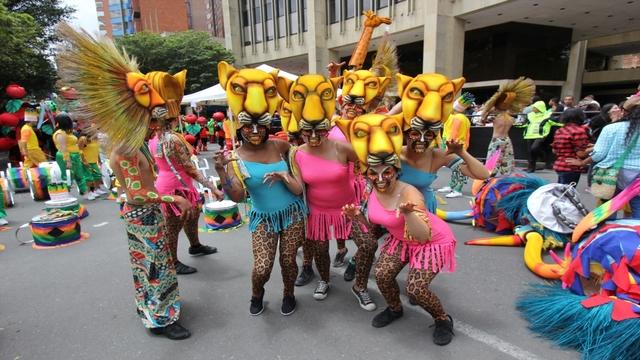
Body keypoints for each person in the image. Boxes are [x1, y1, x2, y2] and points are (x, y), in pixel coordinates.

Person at [58, 23, 191, 339]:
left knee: (148, 265)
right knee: (154, 265)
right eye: (152, 121)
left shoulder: (135, 144)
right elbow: (138, 194)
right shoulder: (126, 151)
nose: (156, 127)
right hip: (141, 214)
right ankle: (161, 319)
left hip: (143, 216)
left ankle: (149, 306)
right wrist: (176, 198)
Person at [341, 113, 457, 346]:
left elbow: (423, 235)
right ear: (367, 174)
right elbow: (373, 225)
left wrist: (407, 213)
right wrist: (358, 217)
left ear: (396, 171)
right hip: (400, 239)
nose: (380, 178)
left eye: (387, 172)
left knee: (416, 289)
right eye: (374, 172)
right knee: (383, 275)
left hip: (430, 241)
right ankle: (395, 309)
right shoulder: (371, 190)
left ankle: (443, 319)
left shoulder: (409, 193)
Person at [279, 74, 378, 310]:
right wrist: (283, 179)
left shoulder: (343, 147)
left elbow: (372, 165)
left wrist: (371, 195)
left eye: (319, 131)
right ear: (300, 131)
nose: (313, 137)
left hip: (349, 209)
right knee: (321, 250)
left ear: (327, 128)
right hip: (318, 212)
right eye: (307, 132)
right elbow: (299, 188)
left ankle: (360, 286)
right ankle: (324, 279)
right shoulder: (296, 154)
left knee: (368, 244)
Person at [215, 61, 307, 316]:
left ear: (268, 125)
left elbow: (299, 190)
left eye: (260, 126)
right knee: (262, 267)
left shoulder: (281, 147)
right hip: (263, 218)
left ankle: (289, 294)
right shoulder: (235, 157)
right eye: (248, 127)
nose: (255, 131)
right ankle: (257, 294)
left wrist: (284, 176)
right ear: (240, 128)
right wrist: (223, 171)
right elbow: (238, 196)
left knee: (288, 261)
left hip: (292, 214)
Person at [146, 70, 223, 275]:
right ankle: (173, 261)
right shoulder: (173, 139)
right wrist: (213, 188)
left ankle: (195, 245)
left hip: (174, 183)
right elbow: (190, 168)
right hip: (176, 188)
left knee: (192, 214)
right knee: (174, 225)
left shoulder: (154, 138)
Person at [395, 73, 489, 213]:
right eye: (415, 133)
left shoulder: (438, 156)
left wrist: (461, 152)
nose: (422, 139)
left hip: (423, 209)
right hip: (396, 208)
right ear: (405, 134)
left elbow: (483, 175)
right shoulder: (394, 152)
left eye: (428, 135)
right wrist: (409, 99)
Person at [570, 96, 640, 218]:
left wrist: (582, 163)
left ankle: (607, 234)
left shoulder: (611, 128)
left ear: (624, 112)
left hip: (612, 174)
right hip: (637, 176)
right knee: (637, 209)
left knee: (608, 209)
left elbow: (599, 154)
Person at [480, 79, 535, 177]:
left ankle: (488, 182)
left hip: (496, 141)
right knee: (507, 165)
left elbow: (482, 120)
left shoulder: (495, 118)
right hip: (507, 140)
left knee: (491, 165)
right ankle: (505, 181)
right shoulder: (511, 119)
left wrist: (488, 110)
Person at [438, 93, 474, 198]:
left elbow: (453, 134)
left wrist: (448, 145)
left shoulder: (458, 118)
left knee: (459, 168)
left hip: (455, 145)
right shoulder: (459, 117)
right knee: (455, 168)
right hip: (458, 145)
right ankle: (452, 186)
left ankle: (458, 189)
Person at [551, 108, 590, 186]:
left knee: (560, 192)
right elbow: (581, 154)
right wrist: (595, 148)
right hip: (571, 166)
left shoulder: (560, 130)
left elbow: (554, 151)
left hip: (559, 165)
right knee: (567, 194)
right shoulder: (579, 131)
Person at [52, 113, 88, 196]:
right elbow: (63, 148)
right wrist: (68, 160)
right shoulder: (60, 133)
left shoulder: (67, 132)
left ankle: (85, 192)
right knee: (68, 176)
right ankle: (65, 194)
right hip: (66, 156)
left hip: (75, 155)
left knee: (79, 174)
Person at [523, 100, 560, 173]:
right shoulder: (530, 115)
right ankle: (531, 167)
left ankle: (543, 158)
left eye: (534, 107)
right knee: (531, 151)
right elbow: (526, 124)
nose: (533, 108)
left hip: (540, 135)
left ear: (539, 108)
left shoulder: (548, 115)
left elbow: (555, 123)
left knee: (534, 148)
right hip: (529, 135)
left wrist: (567, 124)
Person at [78, 130, 108, 199]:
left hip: (94, 161)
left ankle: (97, 189)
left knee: (97, 175)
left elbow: (97, 151)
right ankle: (89, 192)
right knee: (88, 178)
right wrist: (84, 161)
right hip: (86, 161)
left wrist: (99, 160)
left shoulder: (95, 139)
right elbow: (79, 150)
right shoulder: (83, 139)